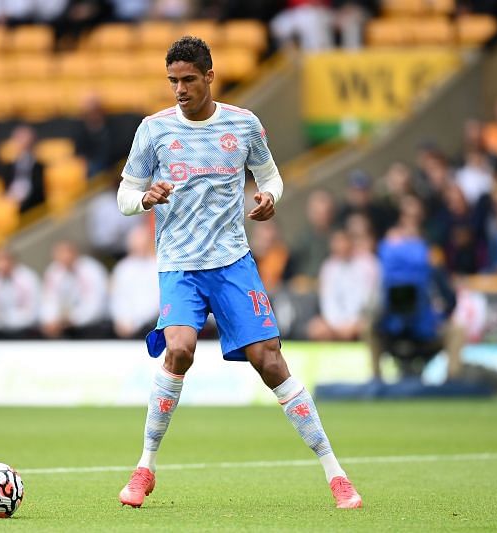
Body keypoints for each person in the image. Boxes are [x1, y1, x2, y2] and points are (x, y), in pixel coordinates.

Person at [115, 36, 362, 510]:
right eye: (173, 81)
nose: (180, 89)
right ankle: (145, 467)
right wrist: (144, 199)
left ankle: (336, 473)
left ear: (210, 76)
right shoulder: (154, 130)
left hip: (231, 262)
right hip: (180, 264)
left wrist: (271, 197)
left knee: (269, 361)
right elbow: (126, 193)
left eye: (188, 80)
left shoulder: (243, 125)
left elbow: (269, 176)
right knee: (180, 349)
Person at [366, 196, 464, 380]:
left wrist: (437, 316)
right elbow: (450, 299)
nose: (411, 221)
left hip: (424, 330)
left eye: (415, 216)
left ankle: (452, 382)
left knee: (456, 330)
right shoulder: (398, 252)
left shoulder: (426, 252)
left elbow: (448, 295)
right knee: (368, 326)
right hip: (395, 330)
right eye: (407, 216)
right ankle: (376, 379)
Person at [307, 229, 379, 341]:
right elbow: (327, 301)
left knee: (365, 327)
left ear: (350, 241)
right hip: (334, 324)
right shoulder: (328, 267)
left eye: (342, 241)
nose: (339, 246)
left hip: (361, 320)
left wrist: (351, 324)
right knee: (315, 328)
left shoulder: (368, 263)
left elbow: (370, 300)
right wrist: (337, 325)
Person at [39, 241, 110, 339]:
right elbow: (49, 299)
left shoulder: (91, 270)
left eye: (66, 254)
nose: (64, 259)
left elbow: (96, 303)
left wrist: (73, 319)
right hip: (64, 326)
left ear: (75, 253)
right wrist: (51, 319)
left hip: (92, 325)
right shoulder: (53, 271)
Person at [109, 225, 159, 339]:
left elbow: (158, 300)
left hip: (150, 325)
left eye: (142, 245)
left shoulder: (157, 266)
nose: (139, 249)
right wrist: (121, 319)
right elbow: (117, 297)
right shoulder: (122, 268)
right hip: (124, 326)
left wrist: (136, 322)